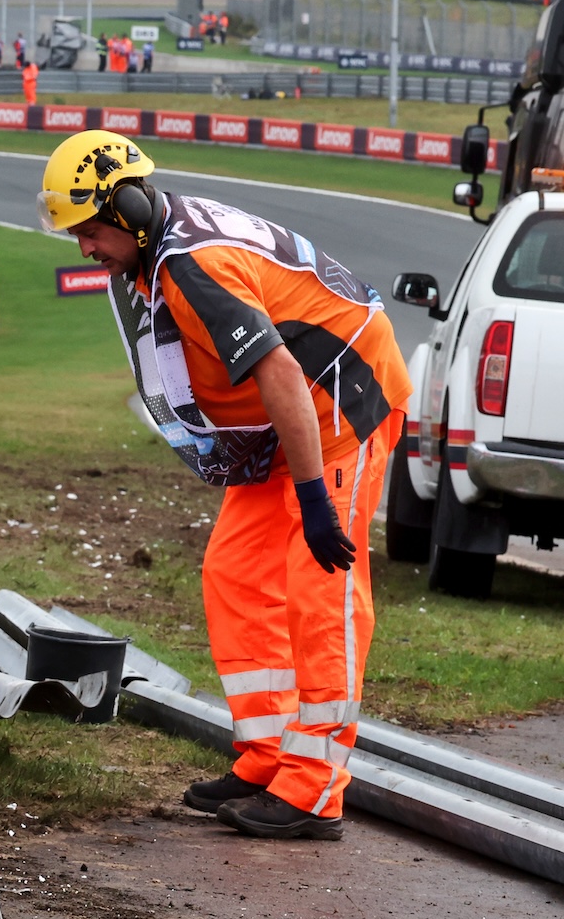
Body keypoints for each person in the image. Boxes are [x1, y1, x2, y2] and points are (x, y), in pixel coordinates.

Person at [36, 131, 411, 840]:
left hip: (337, 407)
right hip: (287, 426)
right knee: (234, 572)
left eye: (90, 230)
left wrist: (310, 494)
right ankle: (268, 754)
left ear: (131, 207)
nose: (84, 248)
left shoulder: (194, 265)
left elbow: (280, 374)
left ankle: (314, 788)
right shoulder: (158, 252)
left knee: (321, 588)